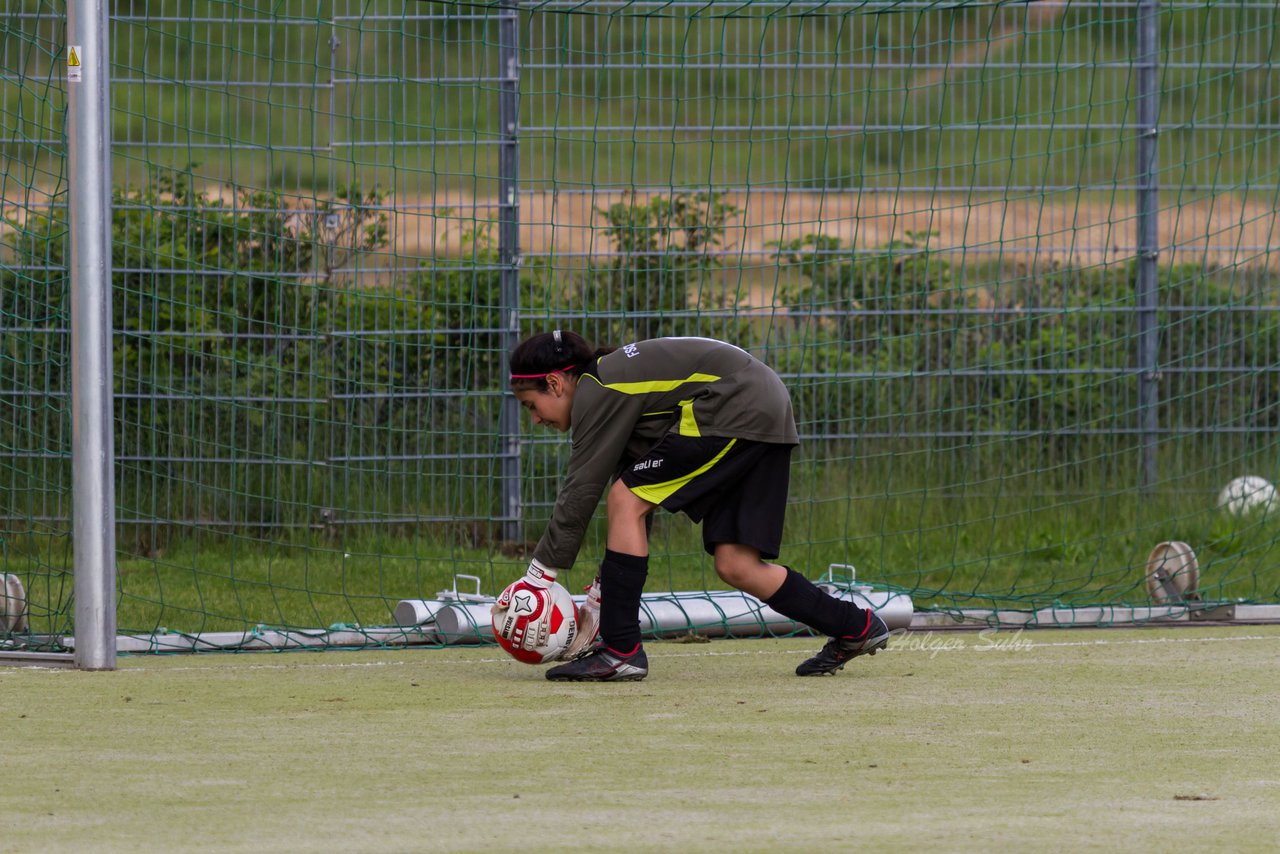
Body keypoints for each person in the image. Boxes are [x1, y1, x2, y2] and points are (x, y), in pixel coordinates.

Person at [492, 330, 889, 681]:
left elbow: (583, 487)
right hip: (763, 409)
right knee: (736, 564)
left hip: (735, 405)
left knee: (625, 498)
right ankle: (856, 626)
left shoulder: (598, 388)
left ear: (555, 383)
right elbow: (633, 494)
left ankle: (622, 650)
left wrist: (539, 575)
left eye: (531, 405)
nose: (535, 419)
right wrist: (600, 595)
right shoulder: (611, 386)